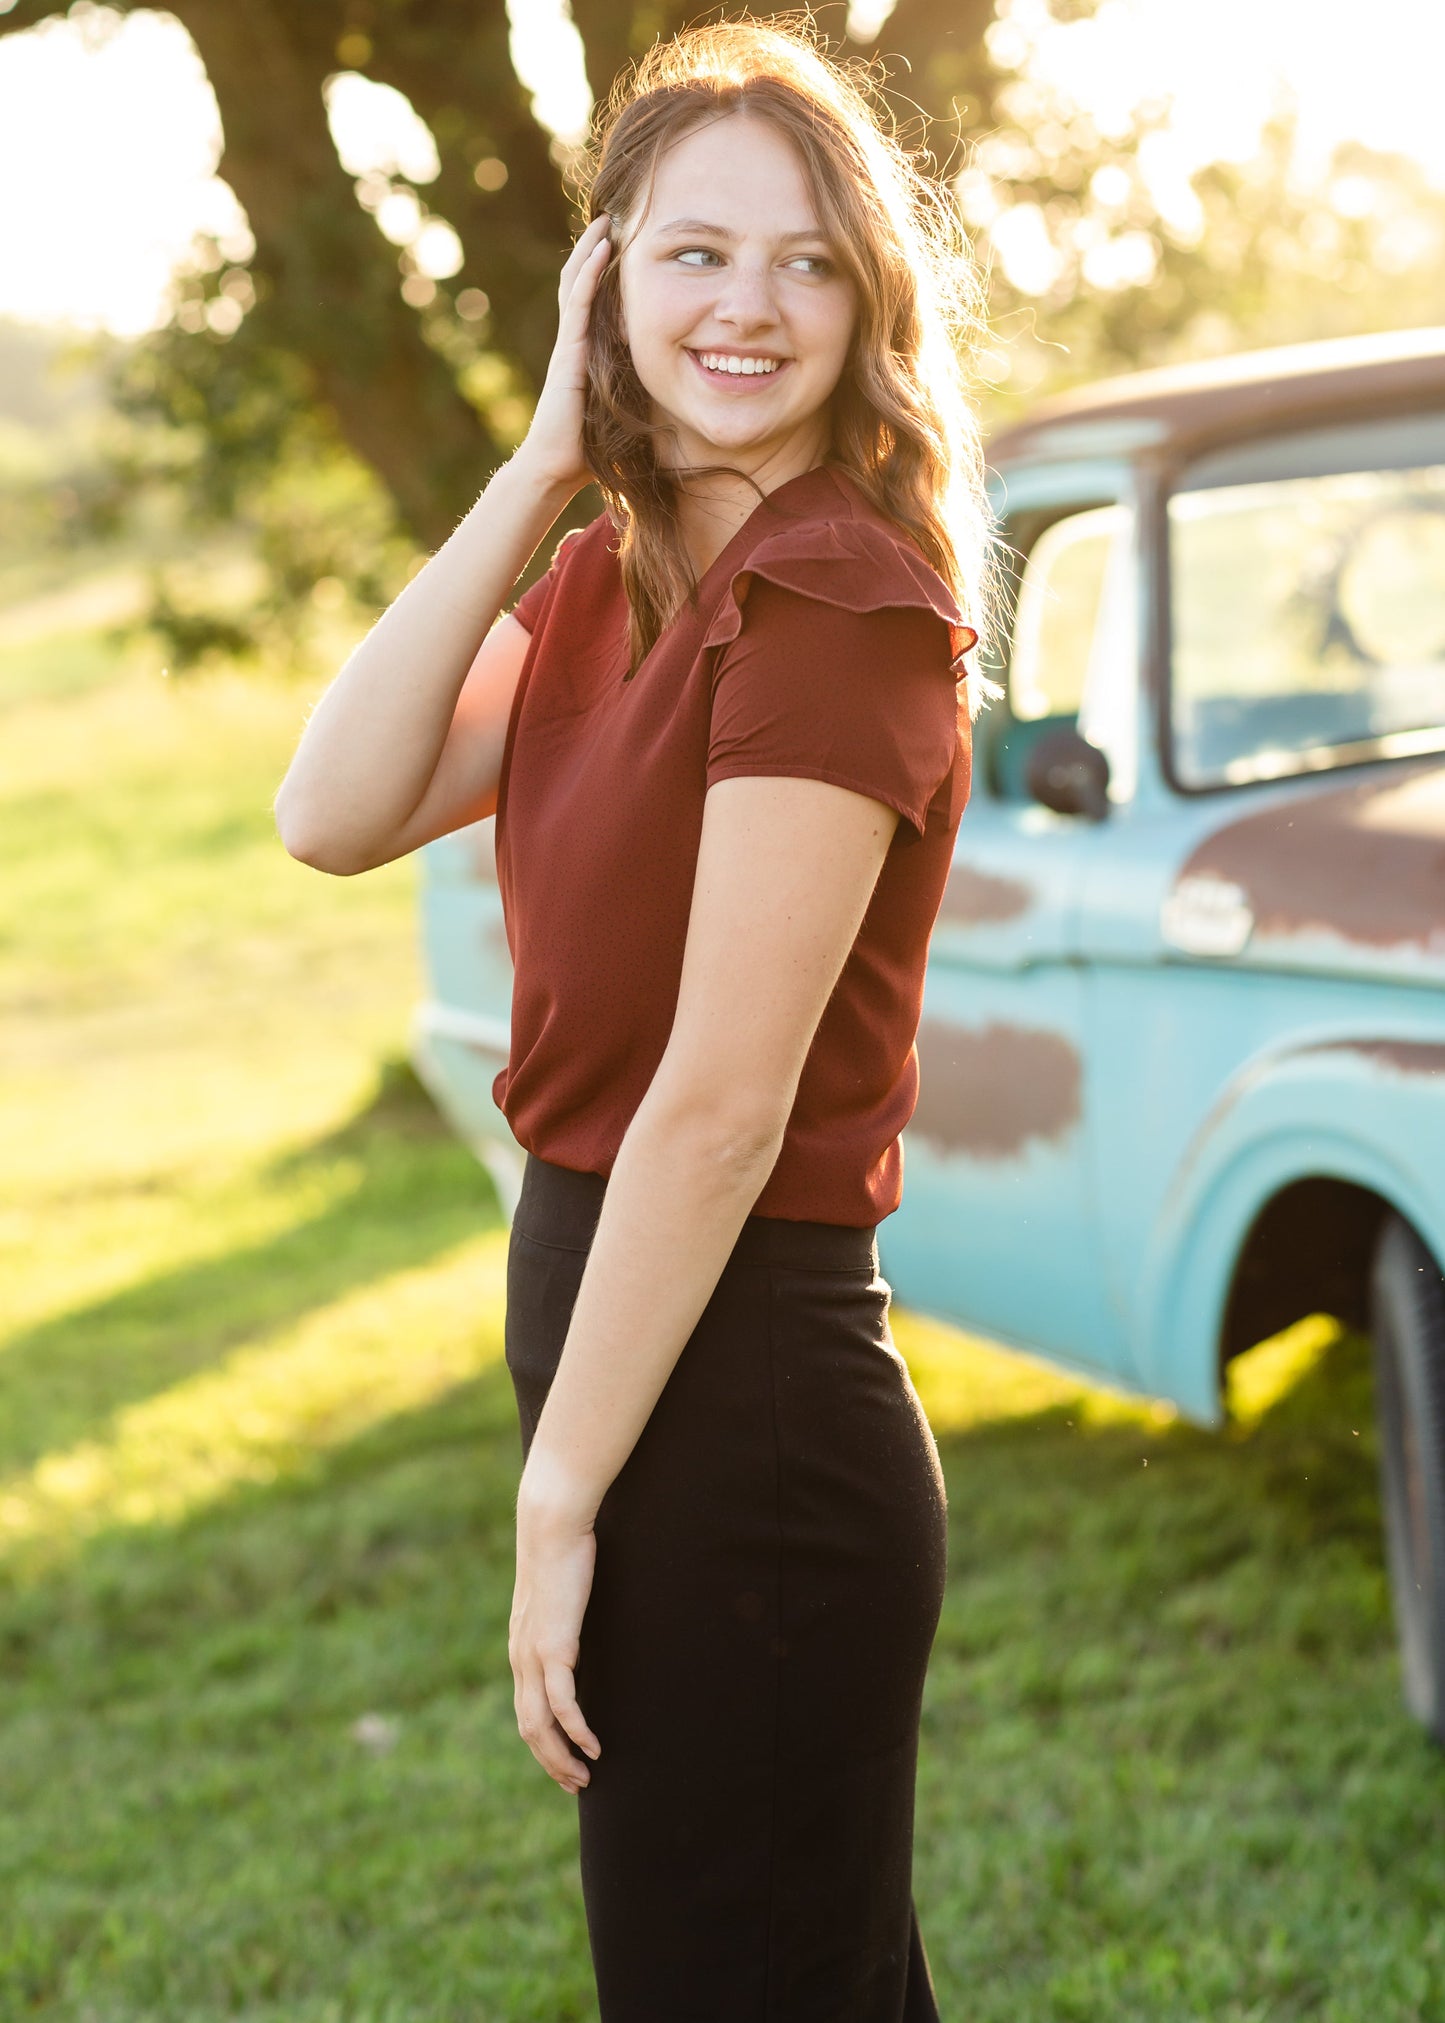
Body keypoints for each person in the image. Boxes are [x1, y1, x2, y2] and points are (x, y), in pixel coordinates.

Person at [275, 18, 997, 2018]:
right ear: (606, 281)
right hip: (623, 1311)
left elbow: (718, 1108)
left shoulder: (832, 598)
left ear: (871, 302)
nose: (748, 305)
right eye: (691, 252)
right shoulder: (619, 575)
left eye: (808, 260)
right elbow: (326, 811)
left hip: (744, 1380)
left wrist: (558, 1492)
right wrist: (536, 468)